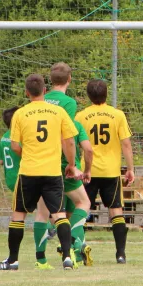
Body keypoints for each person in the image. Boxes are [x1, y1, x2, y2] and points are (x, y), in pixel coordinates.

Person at [0, 74, 81, 270]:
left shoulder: (21, 114)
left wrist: (30, 154)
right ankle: (67, 257)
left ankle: (13, 261)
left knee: (18, 215)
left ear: (27, 93)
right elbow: (69, 141)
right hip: (52, 171)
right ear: (44, 90)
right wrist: (71, 164)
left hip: (29, 171)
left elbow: (15, 145)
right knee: (59, 214)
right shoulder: (57, 112)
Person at [75, 79, 135, 264]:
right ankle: (121, 254)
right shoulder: (117, 115)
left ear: (89, 96)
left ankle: (79, 251)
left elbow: (75, 144)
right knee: (116, 212)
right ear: (106, 94)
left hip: (89, 171)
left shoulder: (81, 116)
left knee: (82, 211)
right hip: (110, 171)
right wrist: (130, 168)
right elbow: (125, 143)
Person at [45, 62, 93, 266]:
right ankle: (72, 244)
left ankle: (53, 242)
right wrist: (73, 164)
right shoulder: (69, 103)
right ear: (69, 79)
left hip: (43, 160)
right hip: (62, 160)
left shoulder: (42, 99)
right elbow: (67, 134)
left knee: (56, 210)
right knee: (84, 203)